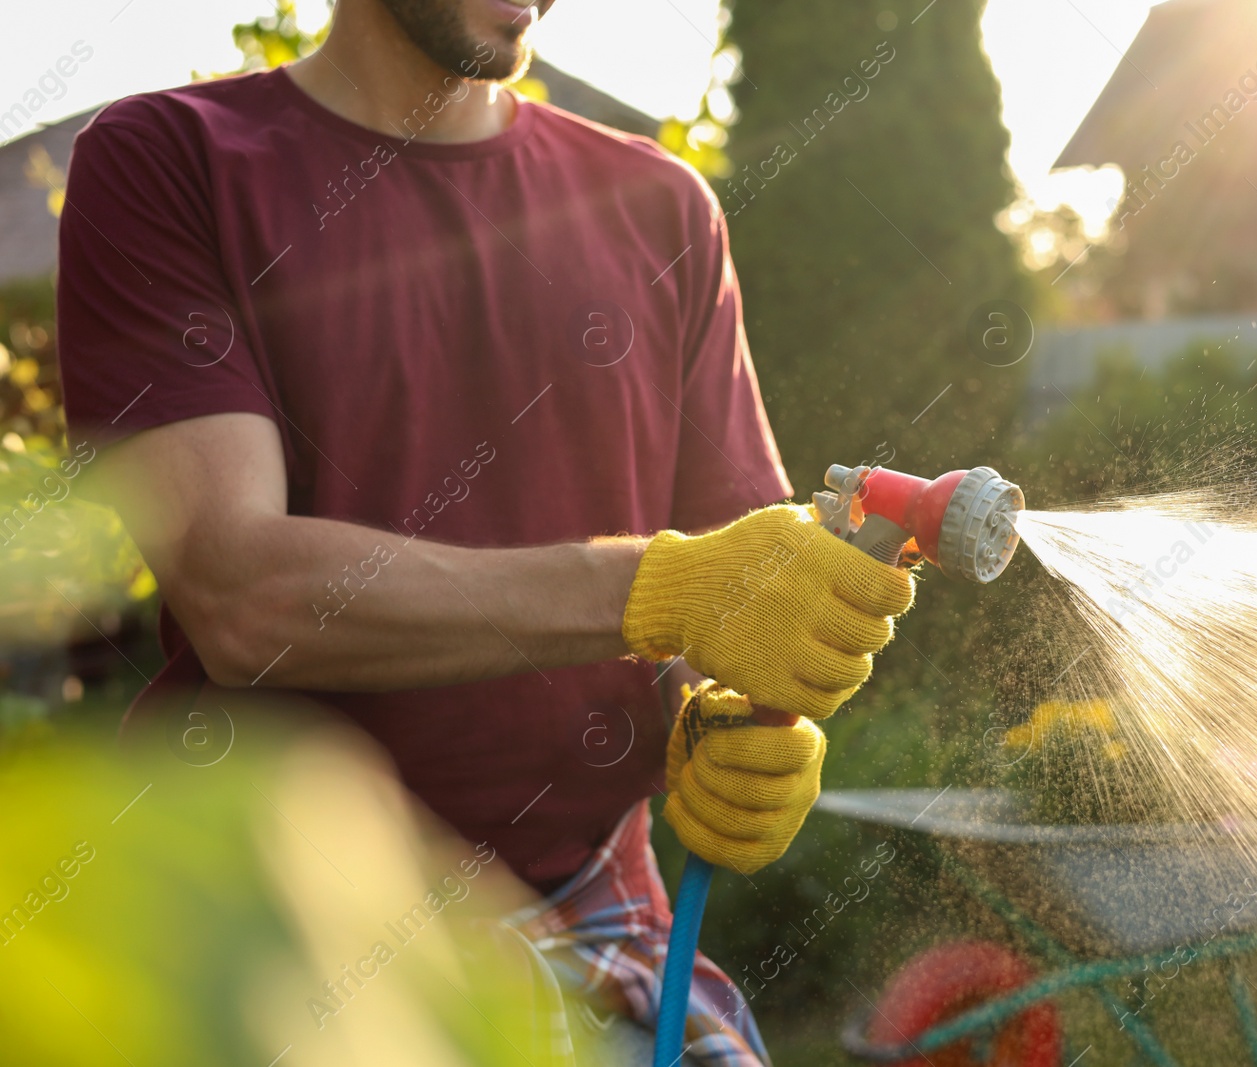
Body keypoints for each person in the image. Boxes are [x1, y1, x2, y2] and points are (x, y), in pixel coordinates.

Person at [54, 0, 915, 1063]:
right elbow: (242, 593)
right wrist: (651, 589)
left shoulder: (661, 208)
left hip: (592, 914)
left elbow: (728, 595)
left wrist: (731, 722)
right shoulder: (169, 163)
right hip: (271, 946)